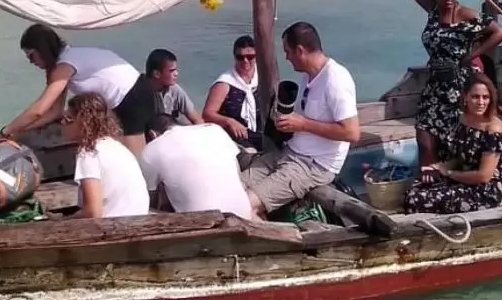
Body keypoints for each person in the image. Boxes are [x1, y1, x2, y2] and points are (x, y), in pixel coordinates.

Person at [240, 22, 360, 217]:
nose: (286, 57)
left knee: (245, 205)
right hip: (290, 152)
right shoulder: (308, 76)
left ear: (300, 50)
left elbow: (352, 133)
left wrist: (303, 124)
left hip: (313, 165)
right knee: (230, 190)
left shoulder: (336, 79)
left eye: (288, 51)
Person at [405, 0, 502, 169]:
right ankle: (428, 180)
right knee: (424, 137)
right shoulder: (433, 10)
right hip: (435, 85)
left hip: (458, 85)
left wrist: (471, 55)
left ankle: (448, 178)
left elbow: (500, 32)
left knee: (453, 138)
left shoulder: (466, 15)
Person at [0, 24, 140, 140]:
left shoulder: (64, 66)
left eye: (31, 55)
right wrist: (20, 128)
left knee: (139, 164)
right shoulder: (65, 61)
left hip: (134, 100)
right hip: (130, 97)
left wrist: (6, 131)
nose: (31, 62)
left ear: (42, 50)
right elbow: (55, 112)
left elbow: (39, 110)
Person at [403, 72, 502, 214]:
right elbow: (460, 158)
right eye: (475, 97)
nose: (481, 102)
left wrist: (449, 173)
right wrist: (438, 167)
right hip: (462, 180)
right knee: (415, 189)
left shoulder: (494, 129)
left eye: (485, 97)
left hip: (484, 192)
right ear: (465, 97)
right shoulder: (463, 119)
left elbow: (484, 176)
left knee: (415, 199)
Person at [141, 114, 255, 220]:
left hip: (203, 224)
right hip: (243, 215)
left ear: (153, 134)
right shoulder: (214, 129)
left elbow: (150, 199)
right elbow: (236, 169)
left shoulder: (152, 148)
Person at [64, 92, 149, 218]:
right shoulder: (116, 146)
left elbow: (93, 212)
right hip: (139, 222)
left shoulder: (89, 152)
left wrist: (66, 220)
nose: (62, 124)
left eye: (68, 119)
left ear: (83, 122)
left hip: (114, 229)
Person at [116, 49, 203, 155]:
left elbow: (197, 120)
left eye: (176, 70)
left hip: (174, 140)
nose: (176, 73)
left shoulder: (175, 90)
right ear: (157, 73)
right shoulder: (136, 94)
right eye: (171, 71)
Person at [202, 35, 260, 146]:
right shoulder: (224, 83)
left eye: (250, 56)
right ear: (234, 57)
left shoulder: (262, 77)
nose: (245, 61)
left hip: (260, 133)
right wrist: (229, 121)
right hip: (234, 137)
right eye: (240, 57)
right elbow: (207, 114)